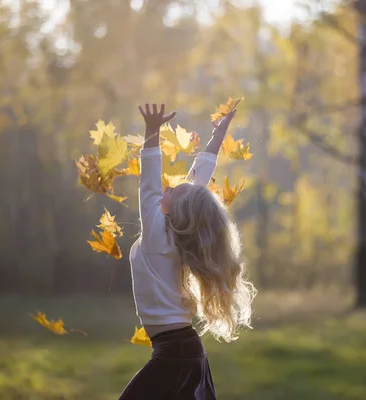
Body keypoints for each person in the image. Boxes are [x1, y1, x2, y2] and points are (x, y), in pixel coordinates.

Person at [119, 103, 256, 400]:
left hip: (176, 352)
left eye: (172, 191)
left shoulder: (158, 238)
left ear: (175, 209)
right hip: (180, 349)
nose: (167, 189)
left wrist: (152, 132)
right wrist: (217, 137)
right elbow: (199, 181)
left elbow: (149, 187)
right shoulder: (176, 235)